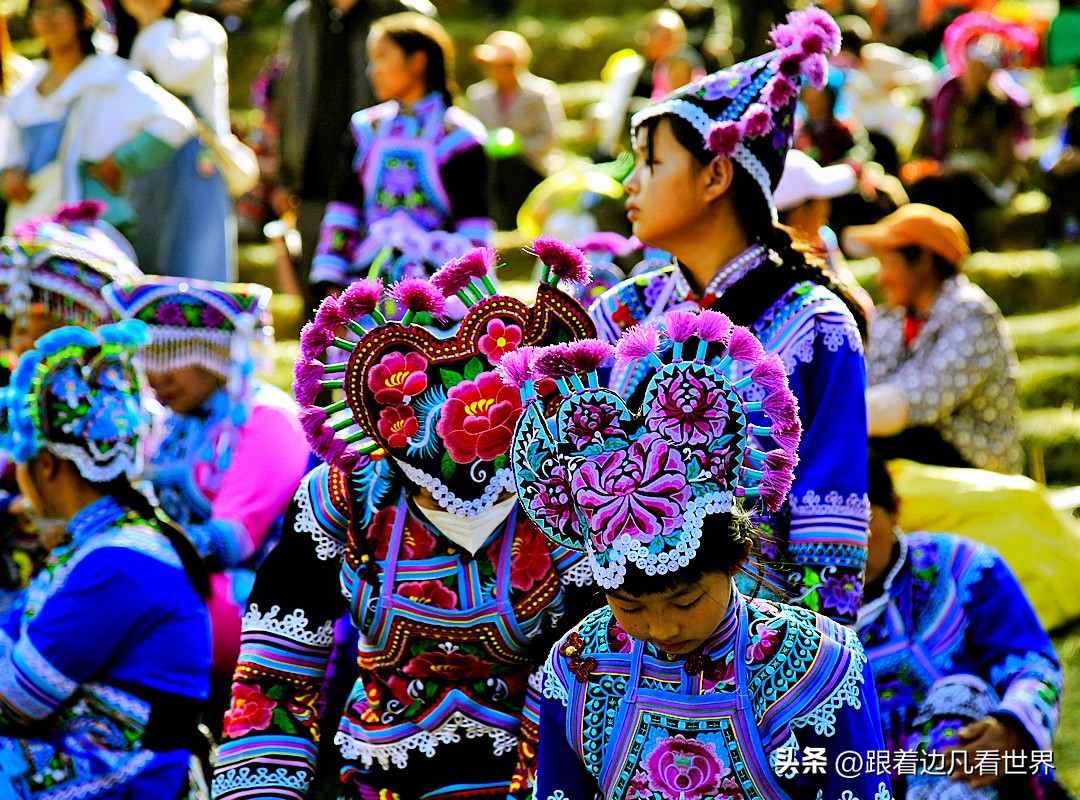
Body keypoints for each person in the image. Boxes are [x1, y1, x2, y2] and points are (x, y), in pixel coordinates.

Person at [212, 240, 598, 800]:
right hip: (377, 780)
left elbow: (590, 680)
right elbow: (275, 675)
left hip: (535, 778)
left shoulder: (565, 500)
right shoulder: (343, 499)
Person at [507, 308, 891, 799]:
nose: (663, 628)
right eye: (630, 607)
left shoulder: (818, 661)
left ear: (736, 561)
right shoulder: (578, 664)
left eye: (685, 600)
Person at [591, 7, 870, 626]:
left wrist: (802, 651)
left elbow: (830, 518)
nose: (630, 183)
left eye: (651, 163)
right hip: (625, 634)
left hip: (757, 640)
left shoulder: (815, 324)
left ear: (716, 174)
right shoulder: (620, 312)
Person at [0, 319, 212, 799]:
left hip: (130, 772)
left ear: (46, 465)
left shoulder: (119, 561)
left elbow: (16, 703)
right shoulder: (105, 545)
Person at [102, 276, 310, 686]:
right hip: (181, 577)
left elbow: (231, 542)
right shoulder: (170, 422)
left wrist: (129, 549)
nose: (156, 375)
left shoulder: (266, 418)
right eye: (149, 357)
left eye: (172, 355)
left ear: (216, 353)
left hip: (257, 598)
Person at [858, 453, 1067, 800]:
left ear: (894, 509)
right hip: (856, 779)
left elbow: (1032, 664)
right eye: (814, 532)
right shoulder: (788, 605)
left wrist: (1011, 726)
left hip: (974, 779)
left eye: (859, 522)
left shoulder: (964, 567)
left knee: (958, 695)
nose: (841, 546)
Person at [311, 12, 492, 296]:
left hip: (438, 290)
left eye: (381, 57)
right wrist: (330, 280)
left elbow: (473, 224)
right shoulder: (366, 129)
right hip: (366, 286)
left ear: (417, 61)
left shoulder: (459, 136)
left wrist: (469, 294)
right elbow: (344, 209)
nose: (372, 70)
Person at [274, 0, 435, 308]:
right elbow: (290, 94)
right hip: (316, 179)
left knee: (391, 304)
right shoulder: (302, 17)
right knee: (321, 302)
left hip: (388, 188)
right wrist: (285, 173)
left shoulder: (403, 13)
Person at [844, 203, 1022, 475]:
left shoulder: (972, 313)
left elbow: (920, 399)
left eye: (886, 264)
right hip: (918, 450)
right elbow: (869, 382)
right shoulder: (892, 319)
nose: (880, 279)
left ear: (924, 261)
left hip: (974, 466)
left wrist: (834, 418)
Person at [0, 0, 195, 237]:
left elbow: (175, 120)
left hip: (88, 228)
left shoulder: (109, 75)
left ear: (84, 18)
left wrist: (122, 161)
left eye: (58, 8)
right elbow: (9, 148)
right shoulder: (27, 85)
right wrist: (8, 175)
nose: (48, 18)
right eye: (39, 10)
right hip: (29, 227)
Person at [114, 0, 237, 282]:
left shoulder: (202, 29)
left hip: (196, 164)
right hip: (144, 164)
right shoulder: (116, 39)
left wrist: (151, 23)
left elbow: (174, 72)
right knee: (145, 261)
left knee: (197, 262)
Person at [904, 12, 1037, 248]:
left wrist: (962, 165)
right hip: (944, 173)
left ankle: (962, 246)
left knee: (959, 187)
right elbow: (921, 147)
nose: (977, 74)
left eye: (984, 69)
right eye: (973, 67)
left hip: (985, 182)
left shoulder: (1001, 106)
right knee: (926, 189)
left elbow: (1005, 162)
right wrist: (922, 166)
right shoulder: (942, 101)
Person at [466, 30, 565, 231]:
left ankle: (513, 226)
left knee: (511, 166)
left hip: (533, 169)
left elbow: (551, 137)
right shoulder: (477, 95)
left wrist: (518, 145)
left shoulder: (541, 93)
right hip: (492, 169)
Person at [640, 8, 705, 99]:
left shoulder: (694, 66)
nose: (669, 46)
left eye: (672, 39)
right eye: (663, 38)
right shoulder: (634, 71)